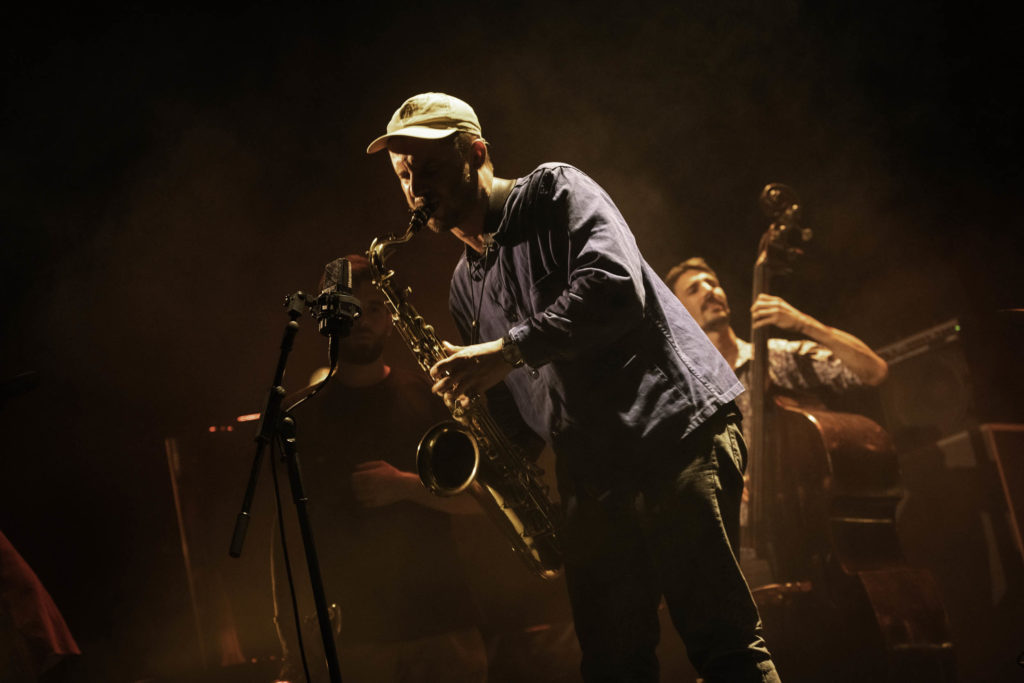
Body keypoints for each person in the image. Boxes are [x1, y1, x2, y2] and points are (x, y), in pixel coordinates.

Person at [366, 92, 780, 683]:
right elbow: (512, 406)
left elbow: (614, 287)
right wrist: (487, 454)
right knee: (612, 665)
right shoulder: (464, 283)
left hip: (673, 433)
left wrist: (507, 350)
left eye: (429, 167)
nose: (415, 187)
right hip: (593, 473)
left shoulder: (554, 190)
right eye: (404, 175)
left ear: (476, 152)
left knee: (724, 644)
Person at [271, 255, 487, 683]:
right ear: (328, 316)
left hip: (441, 625)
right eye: (352, 306)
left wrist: (406, 486)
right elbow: (284, 537)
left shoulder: (429, 397)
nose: (364, 319)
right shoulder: (300, 416)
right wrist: (290, 641)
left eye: (375, 307)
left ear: (391, 318)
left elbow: (484, 502)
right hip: (354, 637)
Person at [663, 257, 888, 433]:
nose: (709, 291)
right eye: (694, 289)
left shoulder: (774, 356)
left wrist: (805, 324)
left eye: (712, 283)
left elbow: (874, 371)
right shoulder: (692, 395)